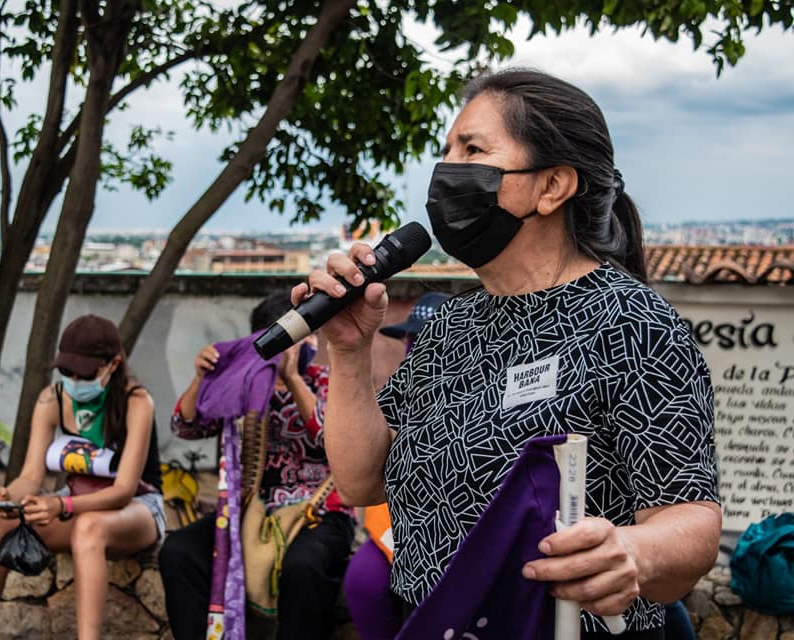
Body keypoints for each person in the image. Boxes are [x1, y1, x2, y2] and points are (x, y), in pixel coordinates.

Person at [299, 68, 720, 638]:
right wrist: (349, 352)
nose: (447, 169)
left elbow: (690, 517)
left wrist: (631, 551)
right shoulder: (452, 323)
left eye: (471, 149)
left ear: (552, 187)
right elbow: (361, 480)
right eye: (447, 149)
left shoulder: (630, 323)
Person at [159, 291, 355, 640]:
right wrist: (202, 378)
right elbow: (186, 426)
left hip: (319, 512)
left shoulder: (327, 380)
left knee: (303, 568)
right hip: (247, 511)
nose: (299, 345)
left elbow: (335, 440)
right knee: (179, 552)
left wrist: (293, 379)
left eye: (304, 335)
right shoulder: (241, 383)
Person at [0, 314, 165, 640]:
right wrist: (8, 498)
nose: (74, 380)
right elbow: (31, 475)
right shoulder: (51, 399)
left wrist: (61, 504)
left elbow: (125, 490)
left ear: (112, 365)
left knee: (89, 528)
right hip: (78, 505)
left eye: (83, 373)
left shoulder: (137, 401)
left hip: (138, 509)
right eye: (67, 372)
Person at [342, 291, 451, 640]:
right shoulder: (402, 385)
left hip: (458, 527)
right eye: (410, 338)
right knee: (364, 578)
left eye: (424, 339)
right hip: (394, 518)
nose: (414, 347)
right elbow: (362, 476)